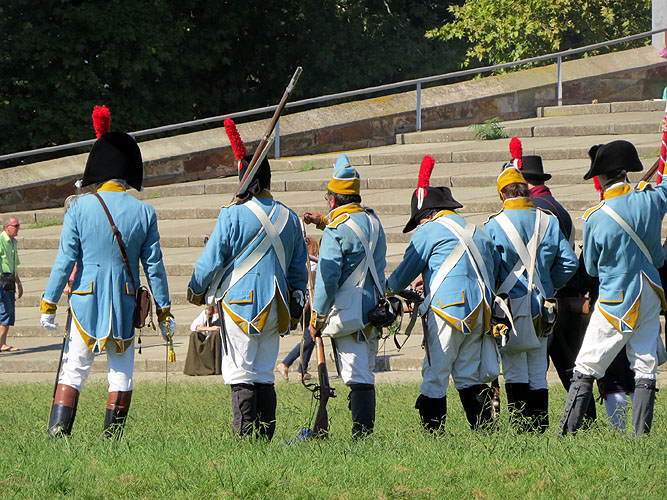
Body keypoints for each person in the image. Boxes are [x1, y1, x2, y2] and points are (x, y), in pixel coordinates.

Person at [40, 105, 173, 439]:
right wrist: (164, 309)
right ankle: (112, 438)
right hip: (125, 301)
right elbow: (154, 267)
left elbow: (65, 259)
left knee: (74, 368)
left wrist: (49, 302)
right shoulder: (145, 212)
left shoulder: (78, 207)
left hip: (85, 300)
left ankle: (59, 432)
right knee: (121, 373)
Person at [187, 118, 308, 440]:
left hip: (240, 304)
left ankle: (245, 440)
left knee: (240, 372)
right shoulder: (289, 217)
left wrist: (196, 289)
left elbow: (211, 260)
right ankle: (264, 438)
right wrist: (297, 302)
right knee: (264, 373)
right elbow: (298, 271)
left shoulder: (232, 214)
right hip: (277, 304)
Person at [560, 139, 667, 436]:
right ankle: (639, 436)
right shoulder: (651, 199)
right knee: (645, 364)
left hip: (616, 297)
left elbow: (591, 268)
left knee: (586, 365)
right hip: (650, 291)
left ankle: (566, 434)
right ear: (626, 172)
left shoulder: (596, 216)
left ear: (602, 177)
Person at [386, 155, 500, 433]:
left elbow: (403, 274)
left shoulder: (428, 230)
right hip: (480, 311)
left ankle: (434, 435)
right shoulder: (478, 232)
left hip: (447, 310)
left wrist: (386, 289)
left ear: (427, 215)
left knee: (435, 374)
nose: (419, 225)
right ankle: (486, 432)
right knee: (469, 375)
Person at [484, 139, 578, 432]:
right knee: (538, 369)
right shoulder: (548, 221)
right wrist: (549, 286)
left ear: (502, 194)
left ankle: (522, 428)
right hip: (543, 306)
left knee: (514, 369)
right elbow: (569, 264)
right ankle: (539, 427)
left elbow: (489, 270)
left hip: (509, 309)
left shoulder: (493, 225)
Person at [304, 154, 387, 438]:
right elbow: (353, 232)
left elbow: (327, 280)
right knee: (363, 370)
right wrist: (323, 222)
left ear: (332, 200)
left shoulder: (336, 229)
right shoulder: (374, 221)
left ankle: (362, 435)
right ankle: (362, 432)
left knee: (356, 374)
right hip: (374, 308)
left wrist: (317, 317)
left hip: (348, 312)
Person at [521, 154, 596, 423]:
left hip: (550, 298)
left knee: (536, 366)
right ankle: (586, 420)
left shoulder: (537, 209)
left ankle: (533, 422)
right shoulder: (554, 205)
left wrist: (548, 287)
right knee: (570, 366)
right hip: (566, 296)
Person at [277, 236, 319, 381]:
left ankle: (302, 370)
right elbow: (310, 285)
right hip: (309, 304)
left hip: (303, 303)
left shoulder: (302, 263)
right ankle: (286, 363)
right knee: (309, 337)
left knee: (310, 337)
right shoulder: (313, 264)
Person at [0, 216, 23, 353]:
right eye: (16, 226)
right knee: (5, 312)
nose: (18, 228)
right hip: (1, 282)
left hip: (9, 281)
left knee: (8, 312)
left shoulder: (13, 242)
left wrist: (18, 283)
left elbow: (14, 265)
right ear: (7, 227)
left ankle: (2, 343)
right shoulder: (1, 241)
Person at [183, 305, 222, 377]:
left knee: (216, 334)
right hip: (209, 339)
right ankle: (194, 367)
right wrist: (210, 328)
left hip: (220, 341)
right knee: (194, 335)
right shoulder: (207, 312)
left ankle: (217, 368)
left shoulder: (226, 313)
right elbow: (193, 327)